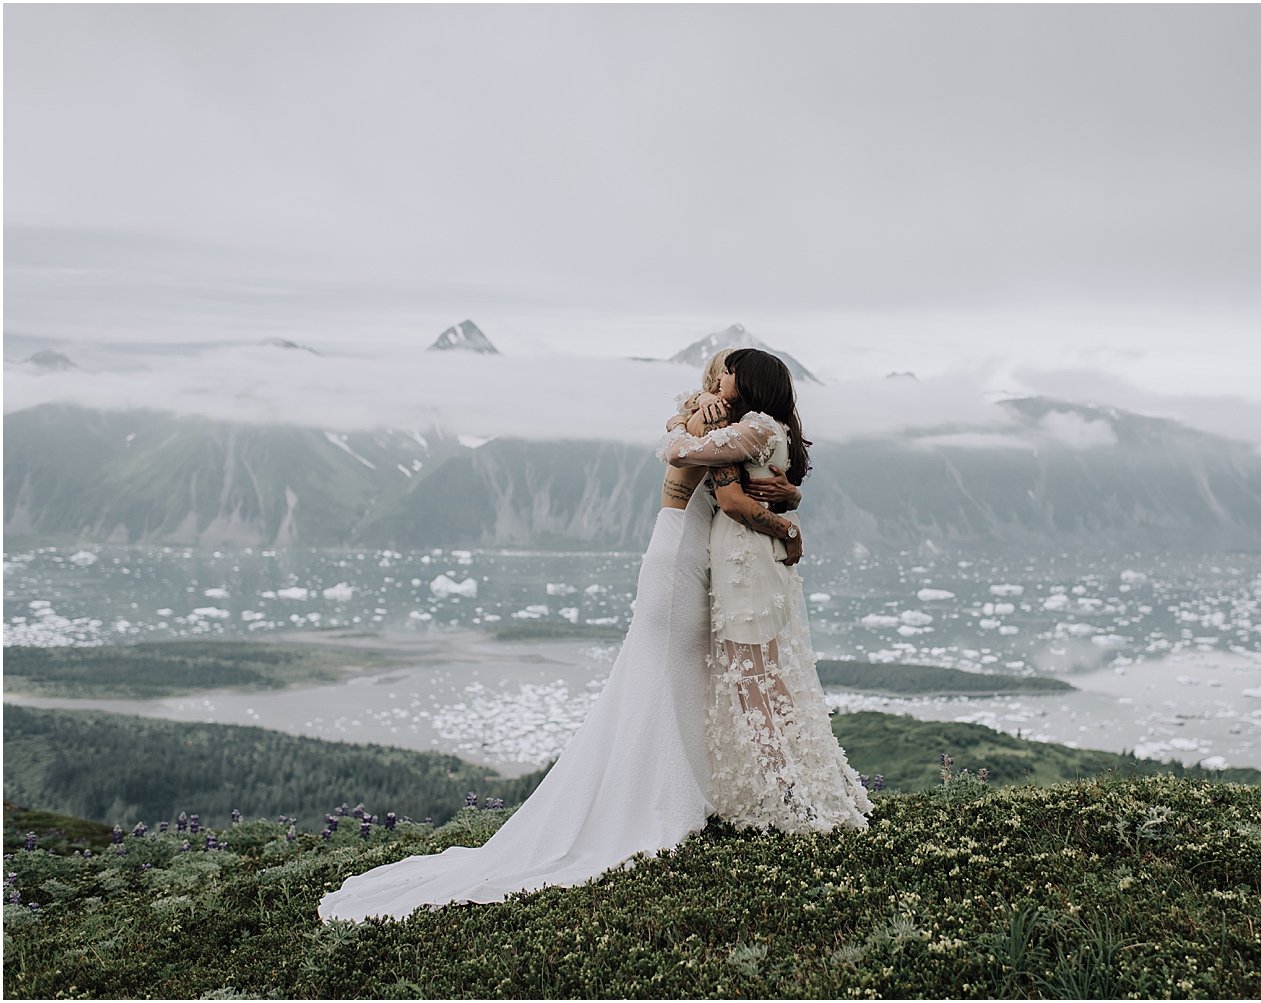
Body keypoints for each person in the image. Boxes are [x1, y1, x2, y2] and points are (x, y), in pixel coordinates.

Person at [318, 350, 797, 922]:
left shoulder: (705, 417)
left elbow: (727, 464)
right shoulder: (712, 421)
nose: (726, 378)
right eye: (723, 371)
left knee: (672, 673)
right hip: (679, 558)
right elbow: (724, 490)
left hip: (680, 550)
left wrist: (784, 492)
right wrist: (785, 522)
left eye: (730, 372)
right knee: (662, 672)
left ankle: (678, 788)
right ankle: (653, 800)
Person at [663, 348, 872, 833]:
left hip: (746, 564)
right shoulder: (763, 428)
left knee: (753, 686)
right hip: (750, 561)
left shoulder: (756, 428)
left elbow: (683, 456)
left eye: (732, 372)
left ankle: (792, 800)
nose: (724, 377)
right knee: (765, 683)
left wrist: (682, 421)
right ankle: (799, 790)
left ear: (751, 382)